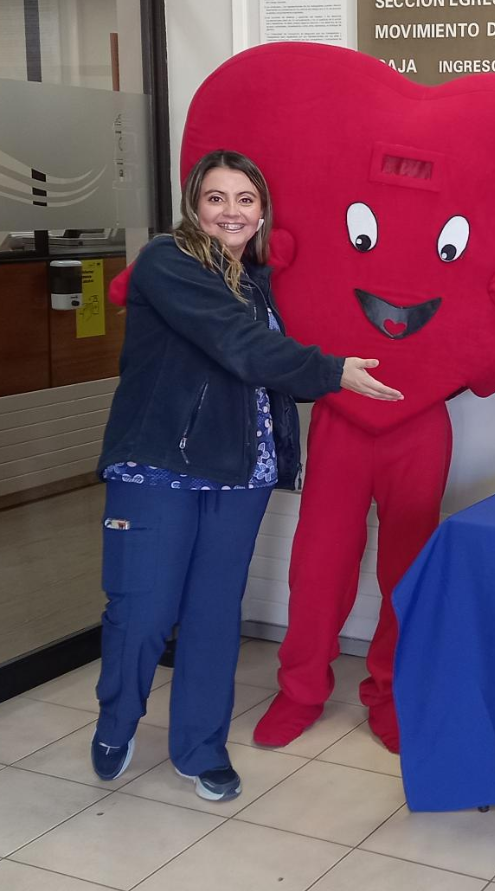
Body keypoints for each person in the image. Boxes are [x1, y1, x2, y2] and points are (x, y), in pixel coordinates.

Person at [91, 149, 403, 800]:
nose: (231, 212)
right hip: (160, 466)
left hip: (240, 475)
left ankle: (199, 748)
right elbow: (239, 344)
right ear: (193, 206)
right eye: (216, 198)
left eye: (245, 199)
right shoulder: (167, 262)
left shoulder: (255, 279)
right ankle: (117, 721)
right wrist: (332, 370)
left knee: (211, 616)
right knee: (144, 609)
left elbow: (262, 358)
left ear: (262, 211)